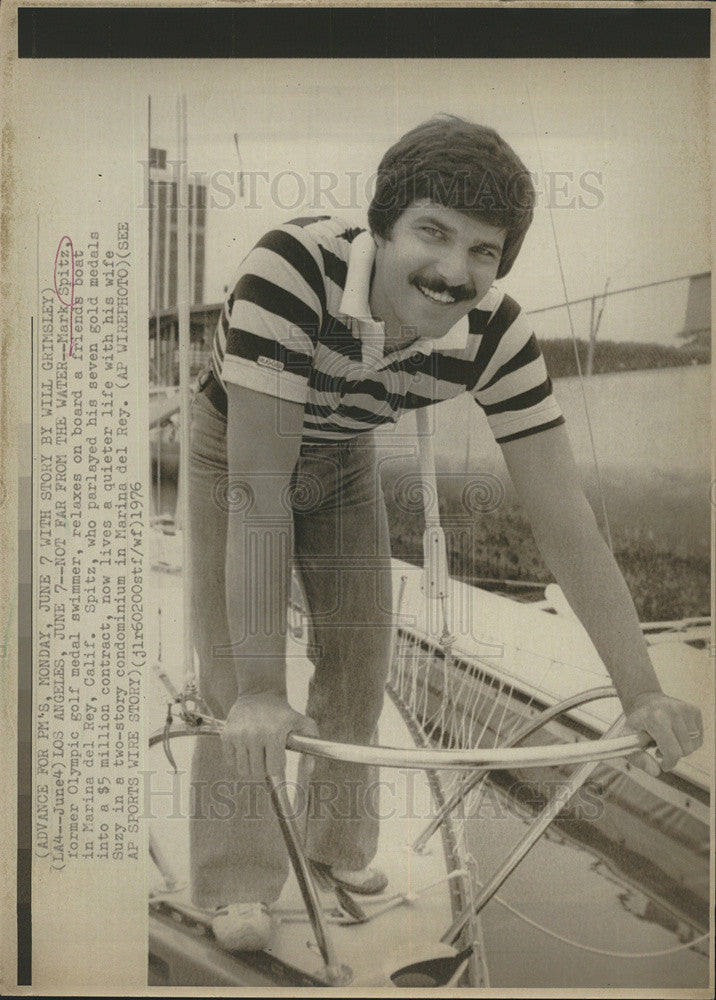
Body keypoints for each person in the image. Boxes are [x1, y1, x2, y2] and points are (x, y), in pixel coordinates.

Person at [187, 115, 703, 950]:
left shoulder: (498, 336)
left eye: (483, 251)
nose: (454, 270)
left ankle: (335, 845)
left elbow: (567, 525)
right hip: (235, 453)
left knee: (359, 660)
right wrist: (257, 688)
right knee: (236, 681)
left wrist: (640, 688)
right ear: (381, 227)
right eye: (434, 232)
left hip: (344, 452)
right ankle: (238, 875)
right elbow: (258, 495)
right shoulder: (290, 270)